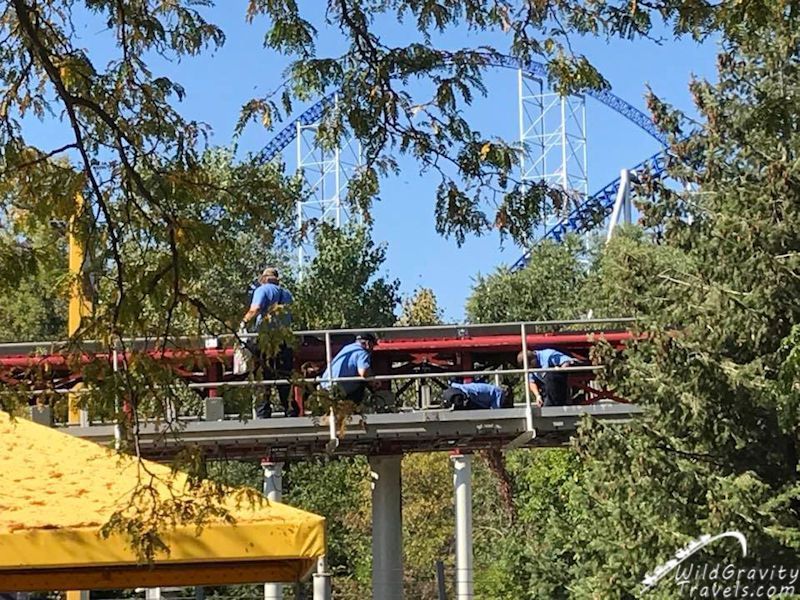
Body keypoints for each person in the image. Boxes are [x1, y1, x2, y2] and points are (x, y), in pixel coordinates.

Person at [240, 267, 297, 418]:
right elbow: (292, 317)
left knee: (262, 378)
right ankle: (290, 411)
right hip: (284, 341)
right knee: (284, 378)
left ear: (264, 279)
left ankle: (263, 413)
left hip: (265, 341)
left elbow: (256, 308)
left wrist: (243, 323)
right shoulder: (287, 294)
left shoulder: (262, 290)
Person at [320, 333, 377, 404]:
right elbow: (363, 373)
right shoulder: (362, 352)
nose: (372, 348)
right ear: (368, 343)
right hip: (337, 386)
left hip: (324, 384)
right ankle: (354, 409)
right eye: (373, 345)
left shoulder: (347, 348)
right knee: (362, 383)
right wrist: (373, 381)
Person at [441, 381, 514, 410]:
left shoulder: (496, 392)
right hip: (464, 395)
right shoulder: (498, 394)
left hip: (460, 393)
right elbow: (495, 412)